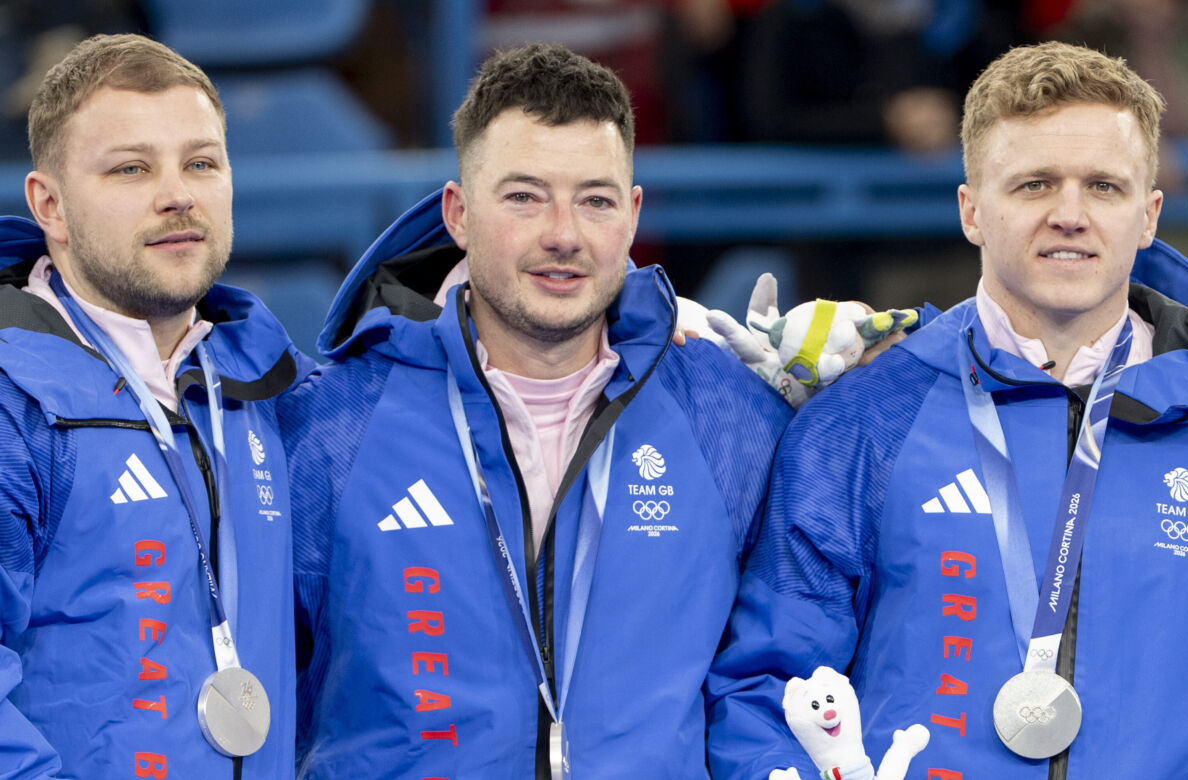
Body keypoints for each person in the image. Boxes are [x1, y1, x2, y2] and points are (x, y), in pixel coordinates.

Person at [706, 41, 1188, 778]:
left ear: (1149, 214)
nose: (1070, 215)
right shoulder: (863, 420)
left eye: (1104, 186)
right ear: (972, 209)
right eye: (1034, 185)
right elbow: (766, 684)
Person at [278, 43, 792, 777]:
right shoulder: (332, 426)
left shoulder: (729, 418)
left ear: (633, 212)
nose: (564, 234)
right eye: (524, 196)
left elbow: (780, 677)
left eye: (596, 199)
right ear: (457, 212)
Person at [0, 34, 305, 778]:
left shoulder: (277, 388)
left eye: (201, 163)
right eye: (131, 168)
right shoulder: (13, 404)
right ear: (51, 205)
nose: (179, 193)